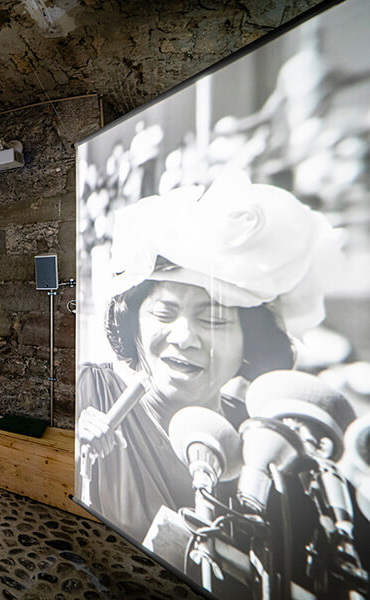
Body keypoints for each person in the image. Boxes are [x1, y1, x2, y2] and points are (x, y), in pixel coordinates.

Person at [76, 170, 345, 543]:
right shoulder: (91, 392)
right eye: (164, 313)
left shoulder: (263, 437)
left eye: (212, 318)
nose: (184, 337)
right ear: (134, 324)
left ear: (250, 342)